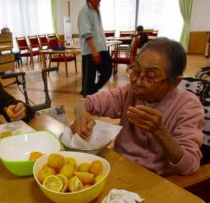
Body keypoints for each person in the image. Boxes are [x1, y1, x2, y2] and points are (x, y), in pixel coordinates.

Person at [70, 37, 204, 176]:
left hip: (157, 180)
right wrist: (81, 116)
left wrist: (160, 132)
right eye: (136, 70)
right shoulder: (128, 93)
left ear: (174, 82)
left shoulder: (189, 106)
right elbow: (84, 103)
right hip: (120, 168)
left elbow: (190, 165)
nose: (137, 81)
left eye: (150, 76)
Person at [78, 0, 112, 97]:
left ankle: (92, 90)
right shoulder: (84, 11)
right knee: (88, 81)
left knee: (107, 71)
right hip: (90, 52)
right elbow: (87, 34)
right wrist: (94, 51)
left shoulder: (97, 9)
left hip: (102, 49)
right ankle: (86, 99)